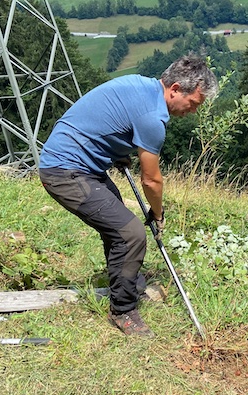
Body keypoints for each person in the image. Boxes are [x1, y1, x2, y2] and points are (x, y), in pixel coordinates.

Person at [38, 54, 218, 337]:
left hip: (81, 165)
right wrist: (157, 213)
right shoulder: (152, 119)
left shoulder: (141, 85)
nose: (192, 111)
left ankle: (127, 285)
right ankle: (123, 311)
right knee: (131, 233)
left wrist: (118, 151)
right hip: (64, 171)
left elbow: (113, 119)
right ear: (175, 90)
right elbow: (151, 181)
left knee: (119, 227)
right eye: (193, 103)